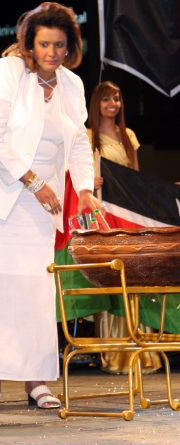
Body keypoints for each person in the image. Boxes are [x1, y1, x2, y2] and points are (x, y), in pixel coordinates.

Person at [0, 2, 102, 411]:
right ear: (29, 44)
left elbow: (79, 143)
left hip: (38, 199)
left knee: (34, 287)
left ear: (71, 47)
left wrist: (83, 187)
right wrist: (33, 181)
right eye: (44, 44)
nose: (52, 52)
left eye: (60, 45)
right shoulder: (6, 72)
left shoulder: (72, 84)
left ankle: (37, 381)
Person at [87, 81, 162, 374]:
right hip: (102, 215)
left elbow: (136, 179)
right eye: (106, 99)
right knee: (111, 277)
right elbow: (78, 172)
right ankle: (114, 353)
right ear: (97, 104)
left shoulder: (128, 135)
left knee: (133, 277)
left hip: (127, 217)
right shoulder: (88, 136)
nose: (112, 104)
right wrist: (90, 183)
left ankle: (140, 351)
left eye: (116, 98)